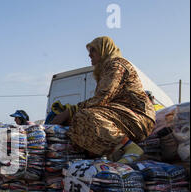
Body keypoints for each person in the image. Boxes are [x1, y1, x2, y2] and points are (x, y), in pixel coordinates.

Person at [50, 36, 155, 164]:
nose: (89, 55)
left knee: (84, 116)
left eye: (93, 50)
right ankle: (116, 156)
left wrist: (69, 112)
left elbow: (102, 98)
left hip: (137, 117)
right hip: (122, 116)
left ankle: (131, 149)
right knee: (75, 125)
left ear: (104, 49)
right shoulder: (106, 70)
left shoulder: (117, 65)